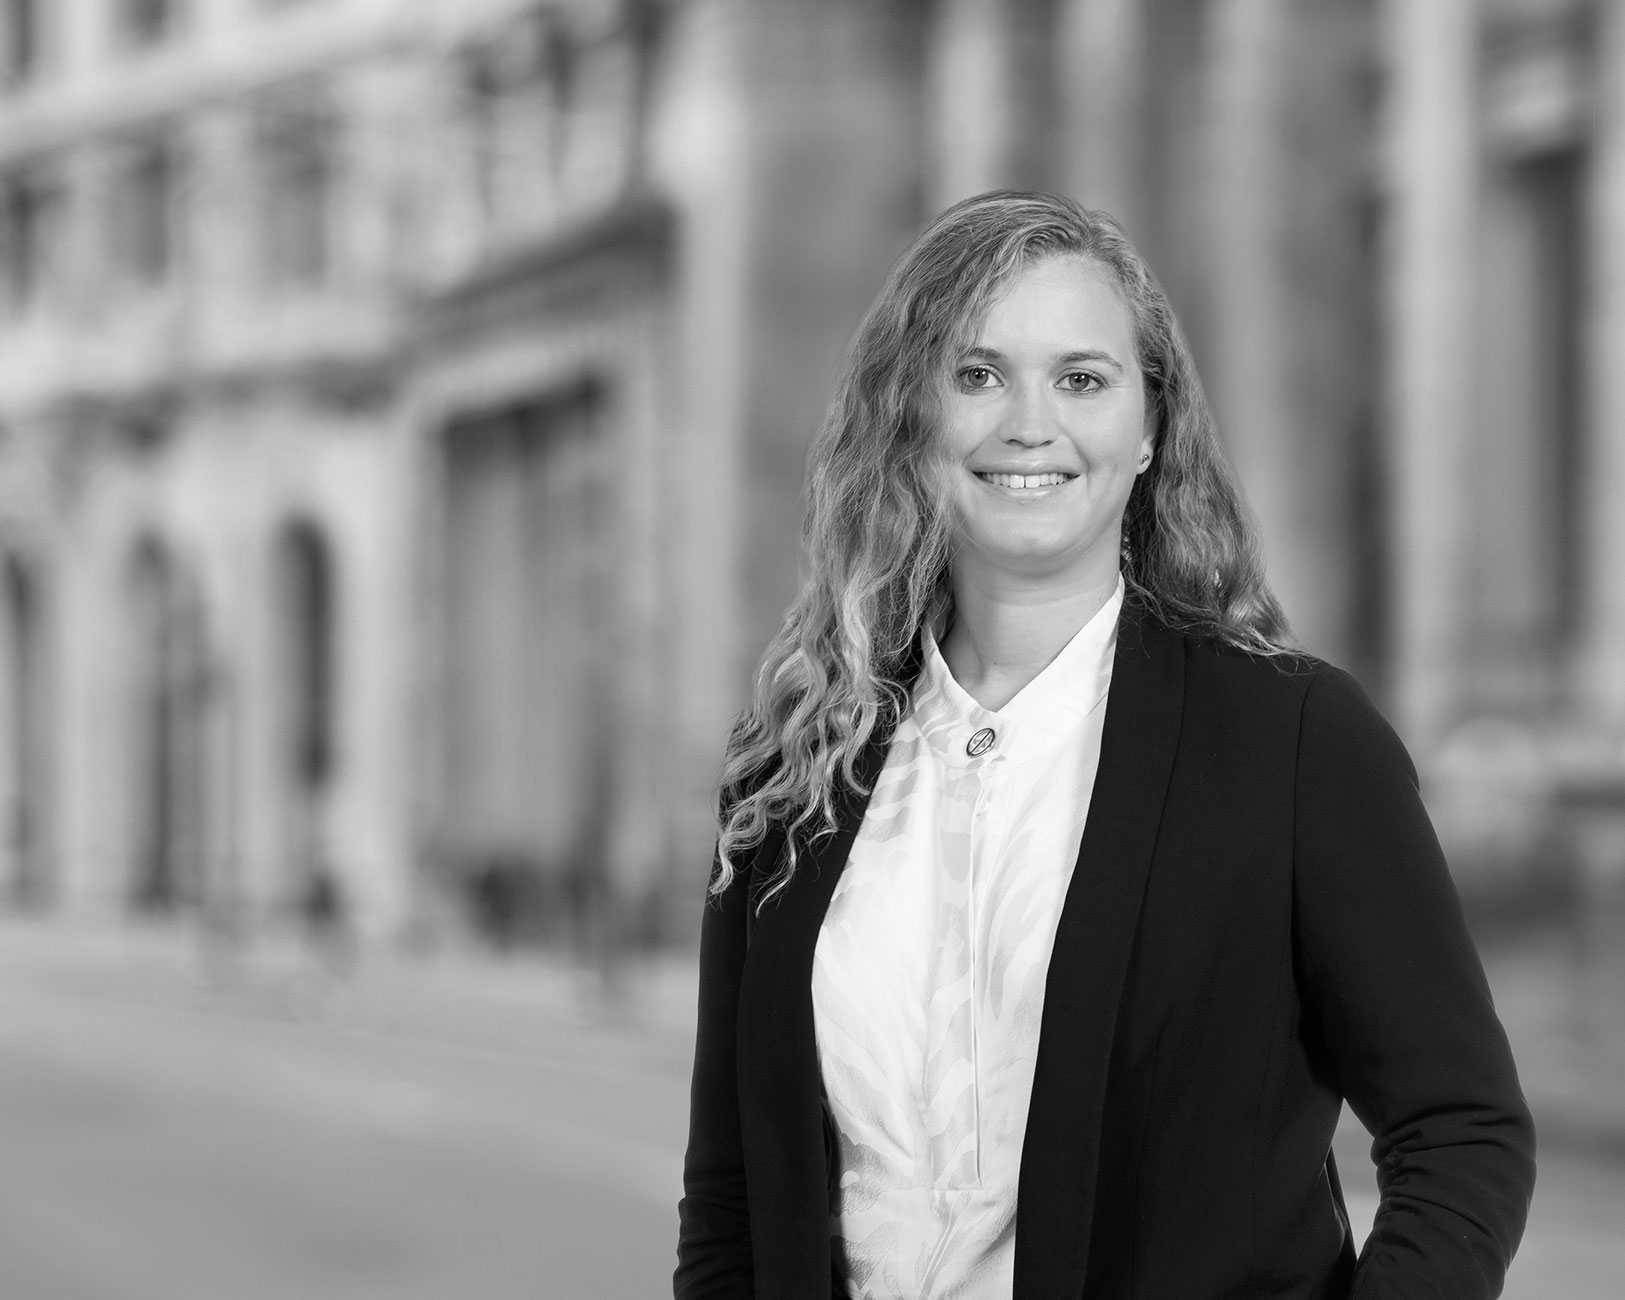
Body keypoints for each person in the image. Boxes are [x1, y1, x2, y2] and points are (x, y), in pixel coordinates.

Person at [674, 190, 1535, 1300]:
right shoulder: (796, 758)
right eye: (976, 374)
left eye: (1081, 379)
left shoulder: (1290, 743)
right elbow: (731, 1197)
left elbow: (1460, 1131)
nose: (1028, 424)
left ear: (1148, 428)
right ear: (907, 417)